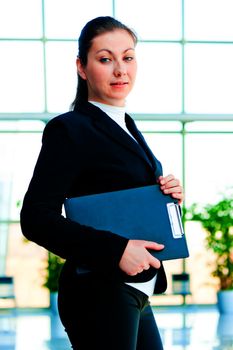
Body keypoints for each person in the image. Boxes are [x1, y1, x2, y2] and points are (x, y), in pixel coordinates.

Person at [20, 16, 184, 350]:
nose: (120, 70)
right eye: (105, 59)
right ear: (82, 67)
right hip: (99, 292)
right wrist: (116, 250)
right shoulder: (70, 129)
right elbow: (35, 218)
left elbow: (117, 198)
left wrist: (167, 198)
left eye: (128, 57)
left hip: (136, 289)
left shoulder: (125, 125)